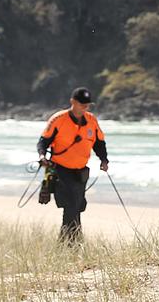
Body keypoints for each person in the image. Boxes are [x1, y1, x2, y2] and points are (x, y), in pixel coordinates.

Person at [37, 86, 110, 244]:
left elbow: (99, 143)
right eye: (82, 104)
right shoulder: (58, 119)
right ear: (73, 102)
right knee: (70, 205)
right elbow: (43, 141)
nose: (85, 107)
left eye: (87, 105)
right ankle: (67, 243)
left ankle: (73, 242)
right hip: (60, 170)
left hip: (81, 172)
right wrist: (42, 156)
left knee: (78, 206)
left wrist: (104, 160)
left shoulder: (91, 121)